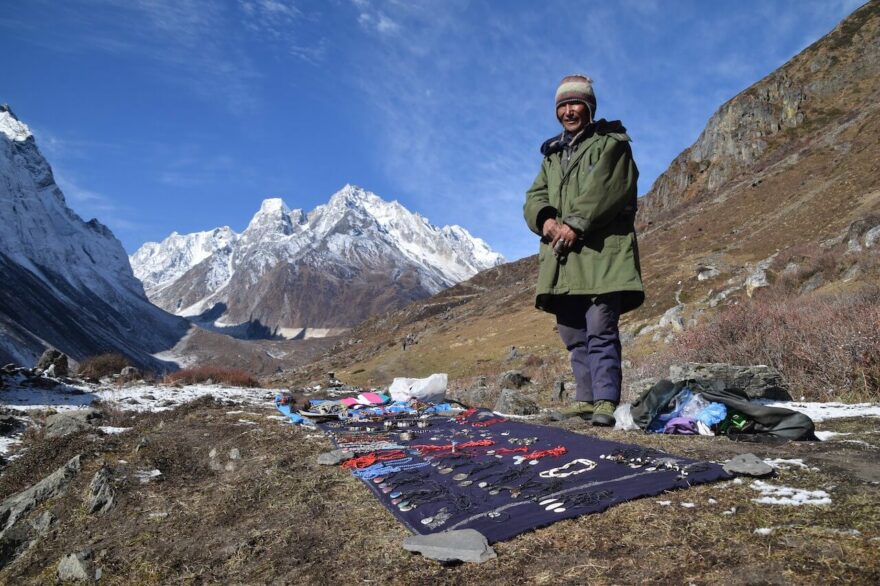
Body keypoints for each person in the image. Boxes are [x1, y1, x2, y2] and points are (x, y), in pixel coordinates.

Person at [523, 74, 644, 426]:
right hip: (564, 259)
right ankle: (585, 400)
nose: (568, 111)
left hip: (602, 255)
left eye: (574, 103)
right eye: (561, 105)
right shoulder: (552, 156)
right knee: (575, 335)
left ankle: (605, 400)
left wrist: (574, 224)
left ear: (589, 107)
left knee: (600, 330)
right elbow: (534, 196)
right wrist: (545, 220)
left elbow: (605, 189)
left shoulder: (613, 144)